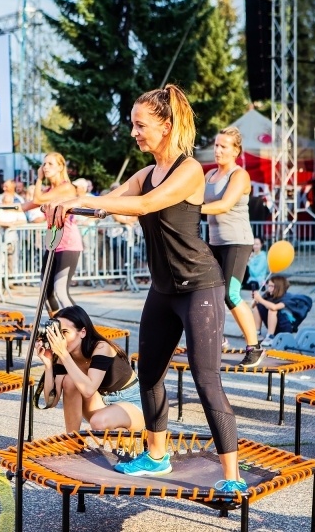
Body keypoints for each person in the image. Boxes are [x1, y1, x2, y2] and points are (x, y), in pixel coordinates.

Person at [45, 85, 246, 497]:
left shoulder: (189, 170)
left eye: (141, 125)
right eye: (133, 125)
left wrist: (93, 200)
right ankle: (156, 455)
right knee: (150, 374)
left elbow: (142, 206)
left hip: (200, 287)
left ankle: (233, 474)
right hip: (163, 290)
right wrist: (70, 205)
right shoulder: (145, 172)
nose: (134, 132)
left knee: (206, 380)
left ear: (166, 126)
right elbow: (109, 202)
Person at [201, 126, 264, 367]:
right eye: (216, 145)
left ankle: (254, 347)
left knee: (230, 294)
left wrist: (191, 209)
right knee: (206, 291)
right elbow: (194, 199)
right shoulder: (209, 175)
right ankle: (220, 339)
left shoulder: (239, 175)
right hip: (215, 242)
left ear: (236, 150)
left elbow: (224, 205)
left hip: (237, 242)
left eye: (223, 146)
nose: (217, 150)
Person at [35, 305, 145, 433]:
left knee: (98, 423)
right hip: (101, 402)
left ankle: (130, 435)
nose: (60, 339)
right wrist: (48, 365)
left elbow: (88, 390)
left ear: (83, 332)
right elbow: (51, 402)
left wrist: (63, 354)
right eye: (58, 333)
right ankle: (73, 440)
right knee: (70, 381)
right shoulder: (64, 356)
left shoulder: (101, 348)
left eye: (64, 332)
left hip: (132, 402)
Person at [23, 153, 82, 314]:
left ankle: (81, 326)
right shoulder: (49, 191)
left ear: (60, 167)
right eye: (44, 164)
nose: (45, 167)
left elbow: (37, 199)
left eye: (50, 164)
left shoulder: (66, 187)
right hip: (52, 243)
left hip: (68, 244)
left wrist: (39, 178)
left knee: (61, 291)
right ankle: (56, 324)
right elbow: (26, 206)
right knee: (45, 292)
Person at [251, 275, 295, 346]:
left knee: (272, 310)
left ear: (279, 287)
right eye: (268, 286)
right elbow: (254, 307)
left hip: (284, 326)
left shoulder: (287, 297)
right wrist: (255, 300)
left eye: (271, 286)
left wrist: (260, 299)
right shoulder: (268, 295)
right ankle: (257, 332)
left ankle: (270, 337)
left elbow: (275, 307)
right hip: (273, 324)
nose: (269, 288)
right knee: (258, 306)